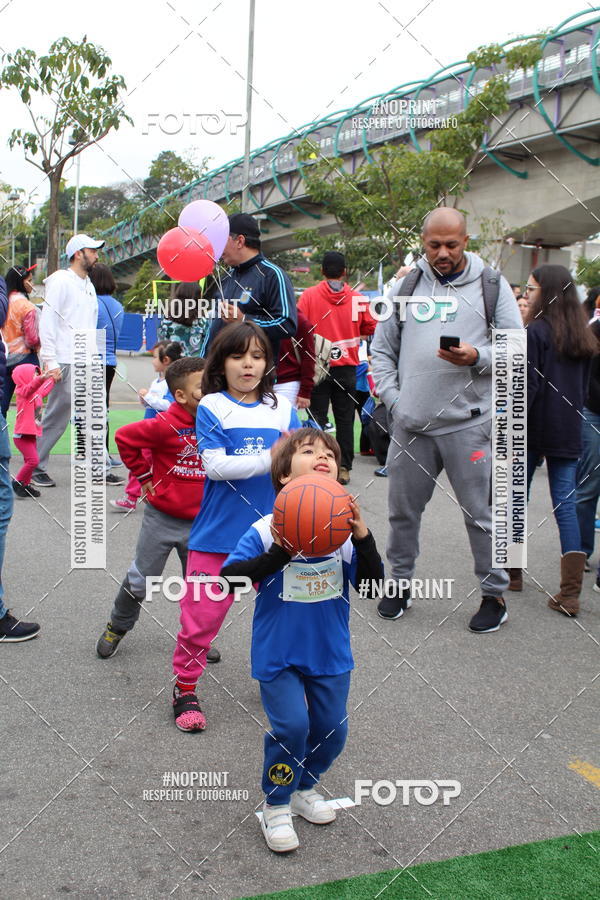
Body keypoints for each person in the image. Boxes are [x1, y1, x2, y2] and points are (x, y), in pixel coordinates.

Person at [221, 428, 383, 853]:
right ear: (284, 478)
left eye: (330, 451)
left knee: (332, 733)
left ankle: (304, 786)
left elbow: (371, 587)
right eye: (309, 451)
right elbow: (228, 580)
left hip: (329, 653)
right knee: (292, 729)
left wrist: (363, 537)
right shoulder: (263, 529)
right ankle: (276, 803)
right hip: (279, 653)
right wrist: (280, 552)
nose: (323, 455)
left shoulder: (345, 535)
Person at [371, 207, 523, 633]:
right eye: (433, 245)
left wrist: (477, 357)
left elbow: (515, 349)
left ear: (466, 241)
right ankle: (398, 586)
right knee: (402, 513)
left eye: (451, 245)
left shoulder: (492, 286)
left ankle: (494, 595)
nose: (442, 253)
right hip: (411, 425)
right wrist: (394, 399)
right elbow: (380, 350)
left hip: (468, 424)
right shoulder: (406, 284)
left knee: (480, 515)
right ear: (423, 242)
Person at [171, 321, 299, 732]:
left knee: (284, 617)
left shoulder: (281, 407)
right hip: (219, 537)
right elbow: (216, 466)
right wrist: (272, 456)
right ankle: (185, 686)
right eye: (238, 355)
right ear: (220, 363)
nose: (249, 364)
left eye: (258, 356)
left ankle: (275, 680)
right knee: (201, 620)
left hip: (274, 536)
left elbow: (292, 466)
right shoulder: (212, 405)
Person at [96, 357, 220, 663]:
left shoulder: (218, 422)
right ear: (180, 395)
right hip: (162, 519)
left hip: (203, 524)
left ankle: (196, 639)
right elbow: (124, 438)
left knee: (200, 587)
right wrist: (144, 476)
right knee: (141, 578)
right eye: (202, 386)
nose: (210, 390)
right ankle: (117, 625)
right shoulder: (165, 424)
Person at [525, 266, 597, 616]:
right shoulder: (583, 336)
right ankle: (570, 593)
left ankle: (509, 573)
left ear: (547, 292)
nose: (527, 294)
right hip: (569, 427)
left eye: (532, 288)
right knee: (565, 504)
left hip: (534, 428)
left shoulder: (536, 332)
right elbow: (582, 390)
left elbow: (531, 387)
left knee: (514, 499)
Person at [31, 233, 105, 488]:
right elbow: (48, 321)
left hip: (86, 358)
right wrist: (50, 361)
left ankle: (97, 466)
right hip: (64, 359)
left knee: (92, 415)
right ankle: (35, 465)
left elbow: (89, 325)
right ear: (77, 254)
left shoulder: (88, 284)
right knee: (57, 417)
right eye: (92, 251)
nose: (96, 255)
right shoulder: (61, 281)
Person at [298, 251, 377, 485]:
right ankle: (343, 468)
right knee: (344, 419)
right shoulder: (358, 299)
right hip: (348, 368)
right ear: (345, 272)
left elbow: (298, 326)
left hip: (318, 367)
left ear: (322, 271)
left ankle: (316, 466)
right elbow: (371, 326)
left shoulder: (309, 297)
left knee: (317, 418)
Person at [0, 275, 40, 641]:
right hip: (19, 361)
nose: (32, 280)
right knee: (2, 504)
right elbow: (34, 338)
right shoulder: (25, 306)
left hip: (9, 367)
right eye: (29, 276)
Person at [205, 213, 297, 362]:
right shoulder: (226, 278)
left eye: (222, 240)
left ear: (239, 241)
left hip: (253, 377)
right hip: (217, 376)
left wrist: (244, 320)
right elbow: (212, 329)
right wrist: (203, 365)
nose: (218, 248)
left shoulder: (272, 275)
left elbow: (287, 325)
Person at [110, 340, 183, 512]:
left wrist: (149, 397)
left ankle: (133, 498)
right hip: (149, 430)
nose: (152, 360)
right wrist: (144, 399)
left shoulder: (171, 383)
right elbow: (151, 405)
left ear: (165, 360)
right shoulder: (157, 381)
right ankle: (136, 497)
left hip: (161, 432)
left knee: (152, 464)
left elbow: (171, 406)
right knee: (145, 463)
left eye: (154, 357)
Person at [90, 264, 124, 464]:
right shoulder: (117, 306)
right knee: (103, 408)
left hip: (93, 361)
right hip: (110, 361)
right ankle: (105, 453)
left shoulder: (91, 304)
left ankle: (96, 455)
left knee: (91, 410)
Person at [576, 319, 600, 574]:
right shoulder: (595, 329)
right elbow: (589, 378)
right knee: (589, 485)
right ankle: (581, 550)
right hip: (594, 413)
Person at [11, 364, 57, 498]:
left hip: (31, 434)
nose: (36, 376)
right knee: (33, 461)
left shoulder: (36, 394)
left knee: (29, 461)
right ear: (24, 377)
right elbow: (31, 387)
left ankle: (25, 485)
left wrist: (52, 378)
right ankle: (17, 482)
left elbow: (44, 389)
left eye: (37, 374)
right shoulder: (22, 392)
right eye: (34, 374)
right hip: (21, 436)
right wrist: (42, 378)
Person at [1, 264, 40, 416]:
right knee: (30, 407)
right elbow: (31, 339)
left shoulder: (3, 302)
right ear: (21, 282)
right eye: (29, 280)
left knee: (1, 407)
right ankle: (25, 438)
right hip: (25, 360)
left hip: (4, 359)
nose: (32, 284)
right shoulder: (27, 306)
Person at [274, 308, 316, 409]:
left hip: (287, 383)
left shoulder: (299, 320)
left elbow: (308, 357)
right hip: (260, 382)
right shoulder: (258, 315)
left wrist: (305, 391)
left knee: (285, 423)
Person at [158, 281, 211, 357]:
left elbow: (161, 347)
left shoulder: (166, 321)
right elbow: (206, 348)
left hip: (171, 365)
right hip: (195, 366)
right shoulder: (202, 323)